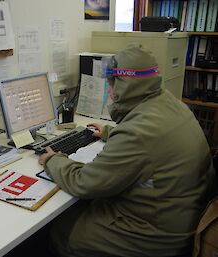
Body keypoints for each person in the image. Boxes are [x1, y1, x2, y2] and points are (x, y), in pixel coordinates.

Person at [38, 43, 216, 257]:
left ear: (123, 85)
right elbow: (153, 144)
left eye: (112, 82)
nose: (109, 89)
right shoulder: (170, 103)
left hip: (155, 236)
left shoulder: (137, 133)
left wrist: (53, 160)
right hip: (181, 216)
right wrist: (110, 133)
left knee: (60, 229)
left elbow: (83, 183)